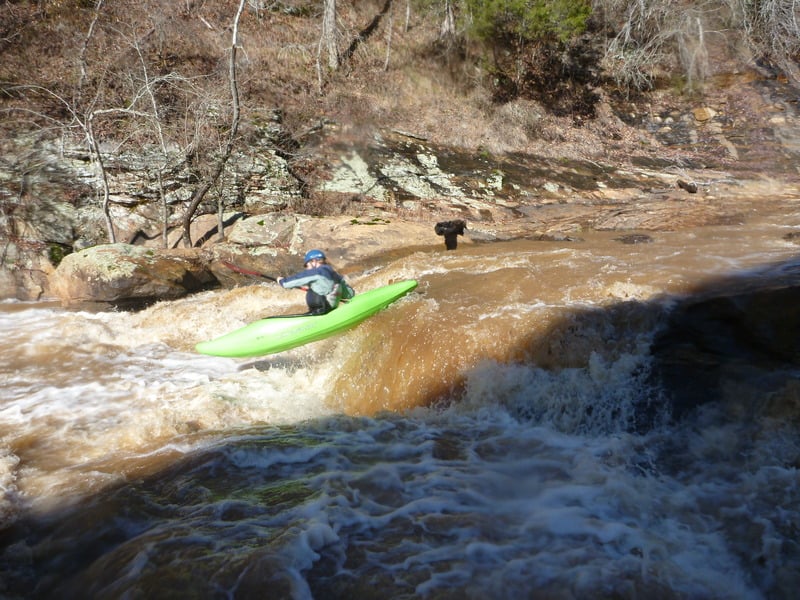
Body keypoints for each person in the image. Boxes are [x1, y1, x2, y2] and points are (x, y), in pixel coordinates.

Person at [277, 249, 354, 315]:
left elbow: (286, 284)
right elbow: (350, 294)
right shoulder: (334, 274)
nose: (307, 269)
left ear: (313, 262)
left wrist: (281, 281)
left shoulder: (316, 272)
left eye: (307, 265)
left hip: (320, 311)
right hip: (330, 310)